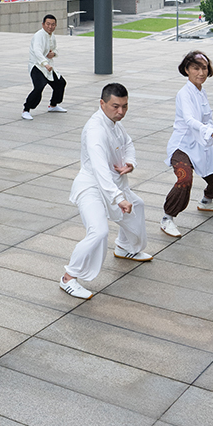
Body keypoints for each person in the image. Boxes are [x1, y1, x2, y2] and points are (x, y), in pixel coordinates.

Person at [61, 82, 151, 297]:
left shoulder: (114, 123)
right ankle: (68, 277)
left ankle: (124, 247)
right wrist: (118, 198)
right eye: (115, 106)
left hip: (113, 185)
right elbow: (100, 169)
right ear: (102, 103)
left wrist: (130, 163)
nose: (121, 112)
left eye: (125, 106)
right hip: (91, 186)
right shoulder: (95, 130)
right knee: (99, 231)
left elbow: (128, 143)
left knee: (137, 205)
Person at [161, 50, 213, 238]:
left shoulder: (202, 92)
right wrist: (212, 132)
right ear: (187, 70)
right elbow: (189, 119)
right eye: (196, 68)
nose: (201, 72)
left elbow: (207, 118)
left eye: (204, 68)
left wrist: (211, 133)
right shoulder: (184, 93)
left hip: (200, 143)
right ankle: (167, 218)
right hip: (182, 146)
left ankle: (207, 201)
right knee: (184, 179)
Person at [22, 15, 66, 119]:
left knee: (60, 83)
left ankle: (53, 105)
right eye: (48, 24)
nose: (50, 27)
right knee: (39, 86)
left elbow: (55, 49)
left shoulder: (52, 36)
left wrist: (53, 54)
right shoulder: (39, 35)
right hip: (37, 66)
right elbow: (37, 51)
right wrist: (45, 63)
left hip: (48, 67)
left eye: (53, 24)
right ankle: (26, 109)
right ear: (43, 24)